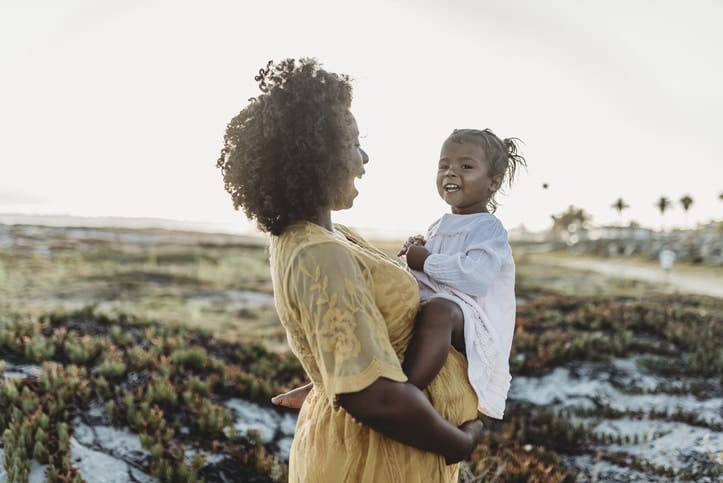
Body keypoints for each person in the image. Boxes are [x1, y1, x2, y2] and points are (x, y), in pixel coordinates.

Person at [217, 58, 482, 482]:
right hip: (371, 461)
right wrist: (459, 444)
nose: (364, 156)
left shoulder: (322, 237)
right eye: (352, 143)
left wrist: (327, 377)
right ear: (314, 155)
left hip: (369, 447)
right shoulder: (318, 252)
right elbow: (373, 398)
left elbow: (355, 343)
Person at [398, 128, 525, 419]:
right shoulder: (436, 227)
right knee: (387, 299)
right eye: (444, 166)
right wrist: (408, 259)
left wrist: (427, 261)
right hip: (442, 315)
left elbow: (476, 279)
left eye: (465, 167)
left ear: (492, 183)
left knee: (440, 310)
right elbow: (426, 281)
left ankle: (407, 390)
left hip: (474, 324)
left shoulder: (488, 228)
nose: (451, 173)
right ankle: (334, 379)